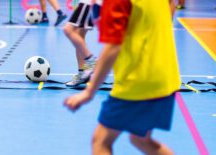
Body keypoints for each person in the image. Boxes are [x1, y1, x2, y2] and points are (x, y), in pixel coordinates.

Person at [64, 0, 181, 154]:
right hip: (167, 76)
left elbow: (113, 46)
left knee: (101, 141)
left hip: (138, 79)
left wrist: (89, 92)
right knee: (141, 139)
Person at [63, 0, 97, 87]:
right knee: (79, 34)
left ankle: (91, 61)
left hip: (88, 2)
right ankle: (82, 73)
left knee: (68, 30)